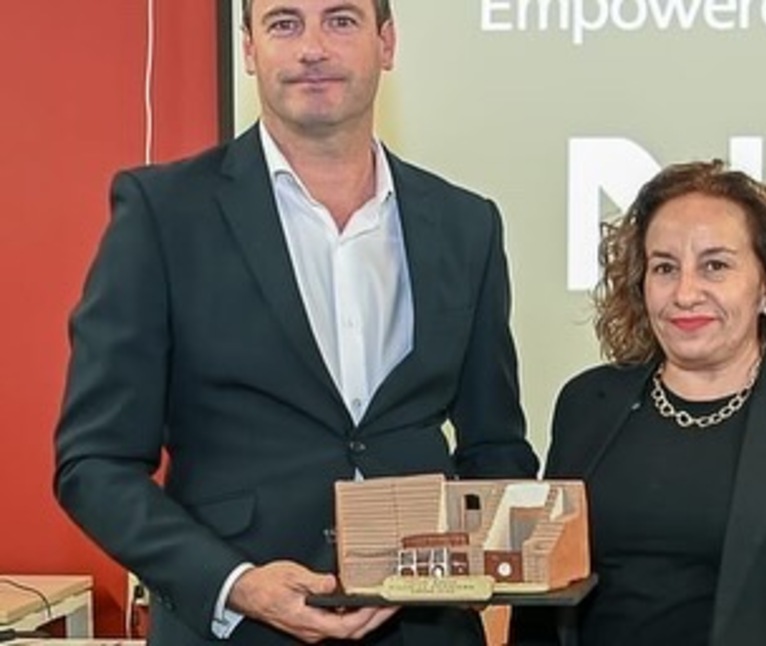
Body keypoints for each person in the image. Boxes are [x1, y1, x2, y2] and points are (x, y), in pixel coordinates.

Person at [53, 0, 538, 644]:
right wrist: (234, 584)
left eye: (340, 20)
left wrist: (482, 566)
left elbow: (495, 447)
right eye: (284, 23)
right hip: (235, 628)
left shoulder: (467, 224)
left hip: (425, 628)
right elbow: (95, 461)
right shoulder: (163, 214)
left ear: (386, 43)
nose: (312, 47)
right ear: (249, 48)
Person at [511, 160, 766, 645]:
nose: (685, 294)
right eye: (664, 267)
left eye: (715, 266)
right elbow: (543, 599)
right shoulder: (587, 404)